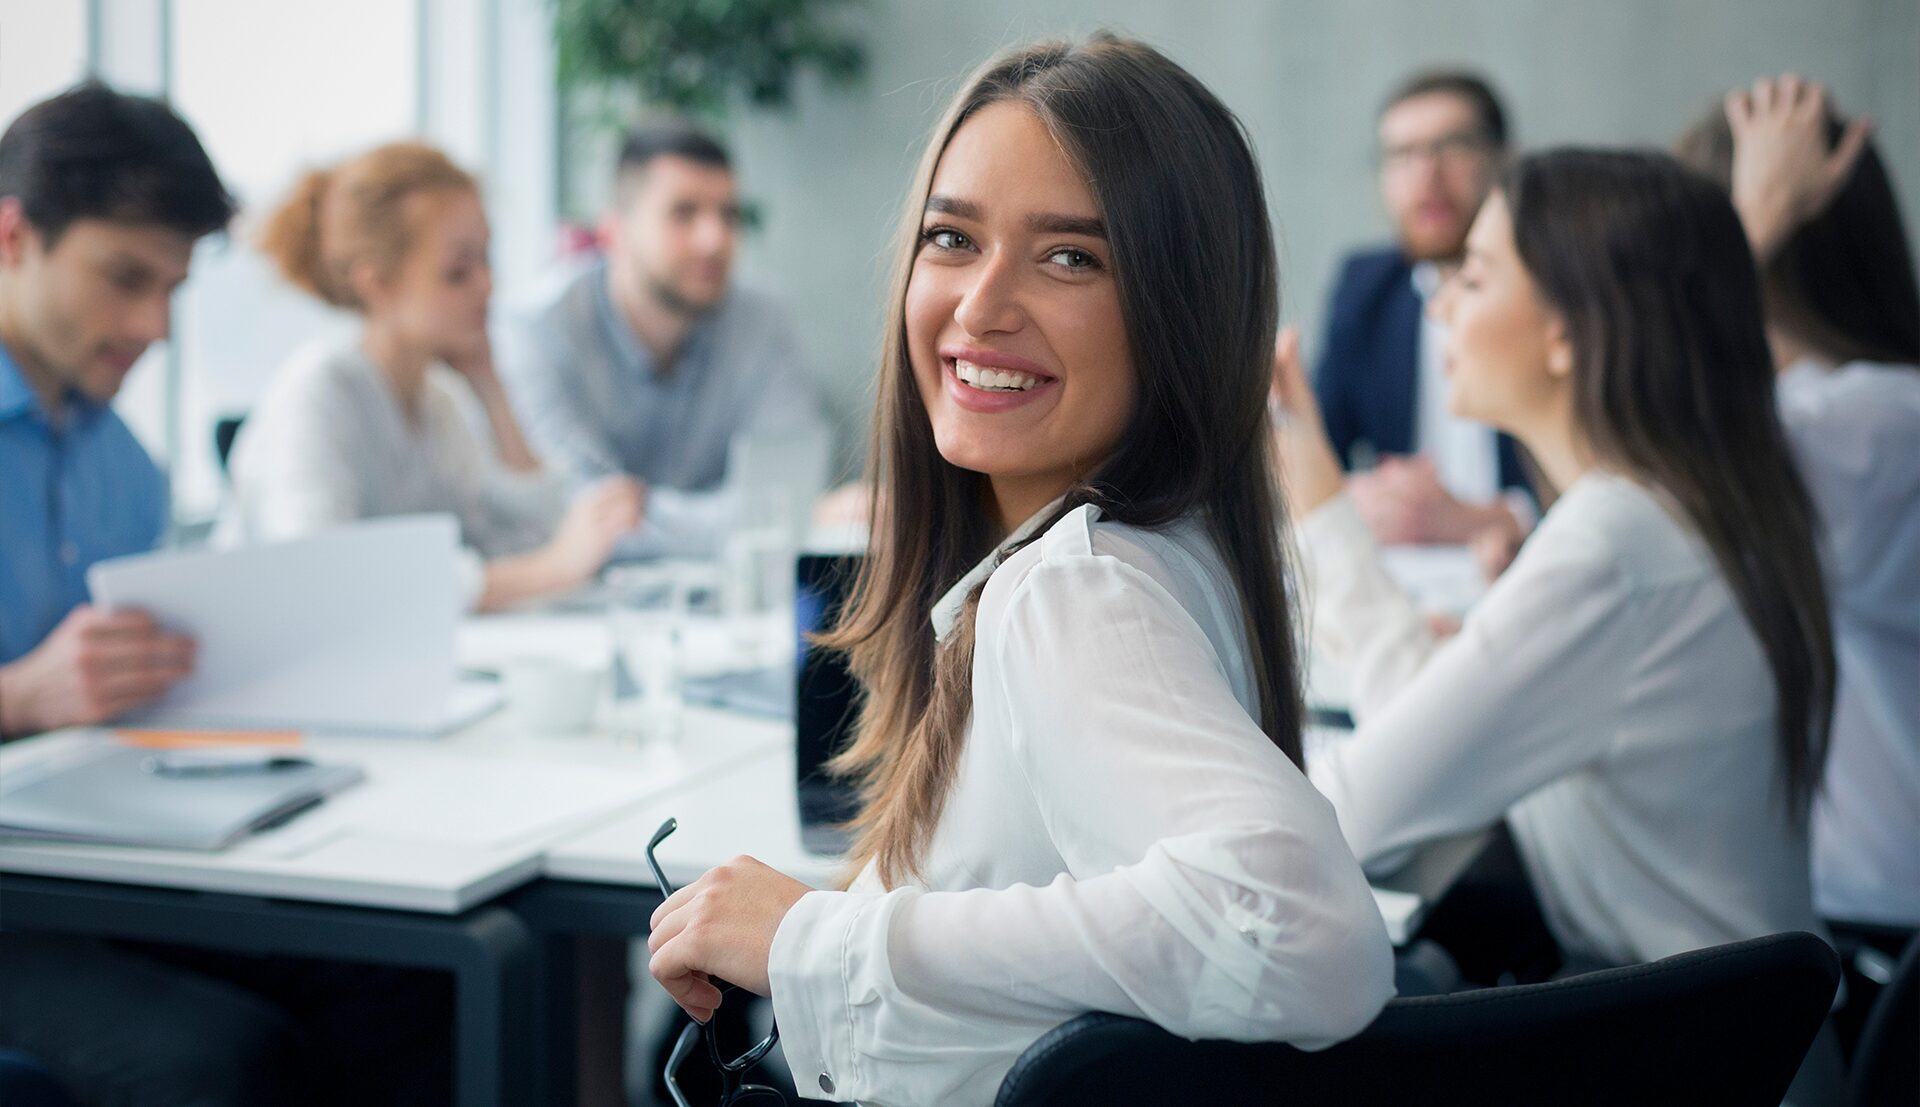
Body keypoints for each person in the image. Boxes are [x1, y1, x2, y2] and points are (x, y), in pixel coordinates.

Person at [641, 35, 1394, 1104]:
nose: (980, 305)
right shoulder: (1159, 551)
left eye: (1070, 257)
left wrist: (825, 939)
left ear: (1179, 311)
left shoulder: (1076, 589)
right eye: (952, 239)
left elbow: (1308, 932)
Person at [1275, 146, 1839, 986]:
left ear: (1567, 332)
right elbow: (1445, 733)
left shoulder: (1613, 547)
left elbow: (1341, 817)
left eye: (1473, 278)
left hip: (1690, 1055)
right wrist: (1324, 503)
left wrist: (1320, 506)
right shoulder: (1690, 506)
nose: (1441, 315)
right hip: (1747, 1040)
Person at [0, 81, 316, 1106]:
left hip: (81, 874)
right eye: (125, 278)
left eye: (172, 288)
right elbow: (40, 702)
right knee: (212, 1057)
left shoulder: (123, 469)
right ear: (14, 236)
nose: (155, 324)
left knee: (392, 984)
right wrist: (19, 698)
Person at [1674, 75, 1920, 934]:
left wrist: (1755, 217)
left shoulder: (1858, 424)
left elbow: (1652, 403)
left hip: (1864, 908)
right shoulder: (1854, 411)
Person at [223, 142, 643, 611]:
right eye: (457, 271)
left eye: (487, 260)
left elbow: (533, 542)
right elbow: (320, 583)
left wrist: (491, 388)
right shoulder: (316, 393)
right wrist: (549, 568)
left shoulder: (437, 401)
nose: (487, 286)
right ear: (376, 284)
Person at [499, 122, 827, 556]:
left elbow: (787, 497)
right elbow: (567, 516)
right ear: (614, 230)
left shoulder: (764, 321)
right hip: (571, 612)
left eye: (728, 215)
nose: (714, 239)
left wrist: (642, 513)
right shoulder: (538, 330)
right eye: (683, 213)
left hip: (729, 607)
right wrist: (741, 520)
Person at [1314, 70, 1534, 560]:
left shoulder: (1554, 288)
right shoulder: (1365, 287)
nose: (1426, 174)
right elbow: (1320, 447)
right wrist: (1361, 498)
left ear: (1504, 162)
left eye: (1452, 145)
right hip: (1410, 576)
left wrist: (1498, 519)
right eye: (1402, 155)